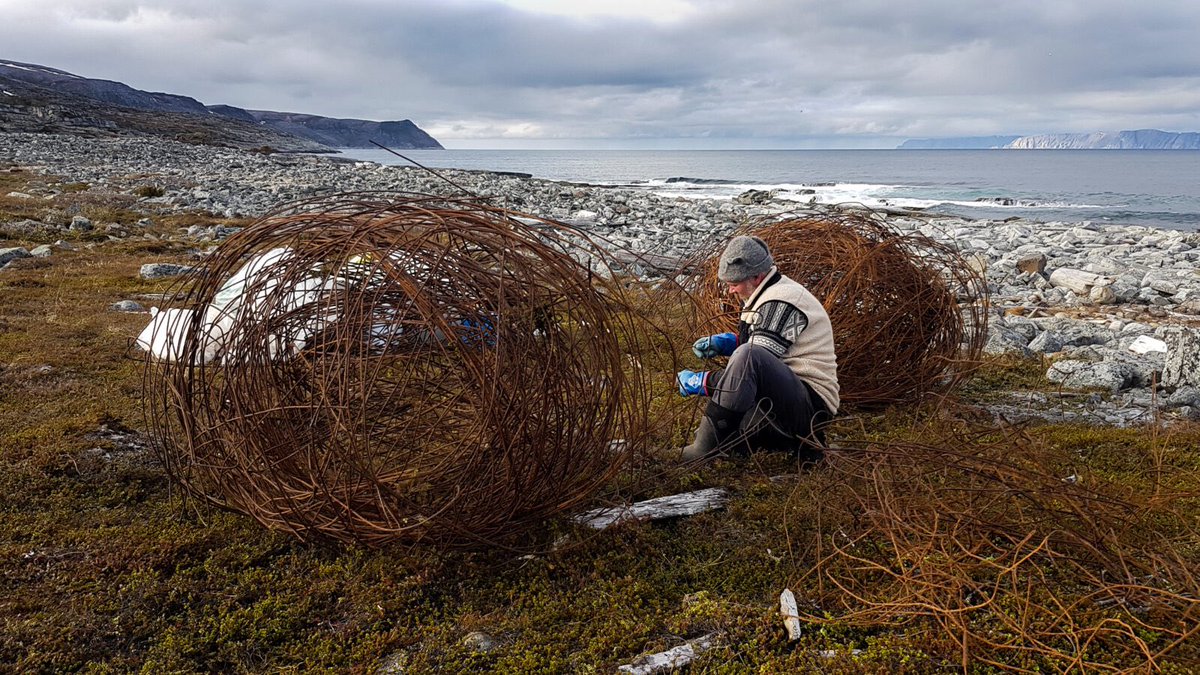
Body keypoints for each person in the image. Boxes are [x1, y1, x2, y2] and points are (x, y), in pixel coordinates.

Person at [677, 235, 839, 462]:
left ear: (757, 276)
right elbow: (774, 340)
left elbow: (753, 364)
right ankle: (805, 448)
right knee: (733, 436)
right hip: (784, 399)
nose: (731, 291)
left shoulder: (781, 302)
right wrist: (728, 342)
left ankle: (702, 450)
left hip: (810, 406)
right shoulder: (768, 292)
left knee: (748, 355)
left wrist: (704, 382)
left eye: (735, 284)